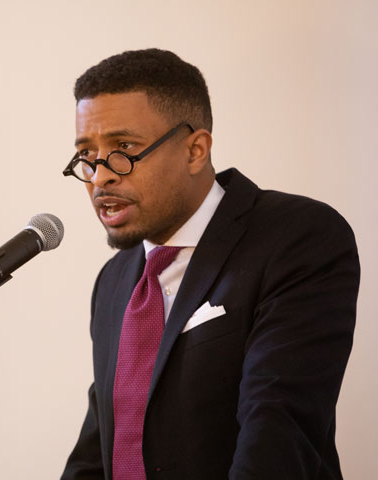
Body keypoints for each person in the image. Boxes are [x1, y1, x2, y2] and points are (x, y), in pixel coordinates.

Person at [59, 49, 360, 480]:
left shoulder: (296, 238)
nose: (100, 176)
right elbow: (100, 446)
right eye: (87, 154)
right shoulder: (115, 279)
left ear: (195, 150)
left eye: (123, 148)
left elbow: (277, 430)